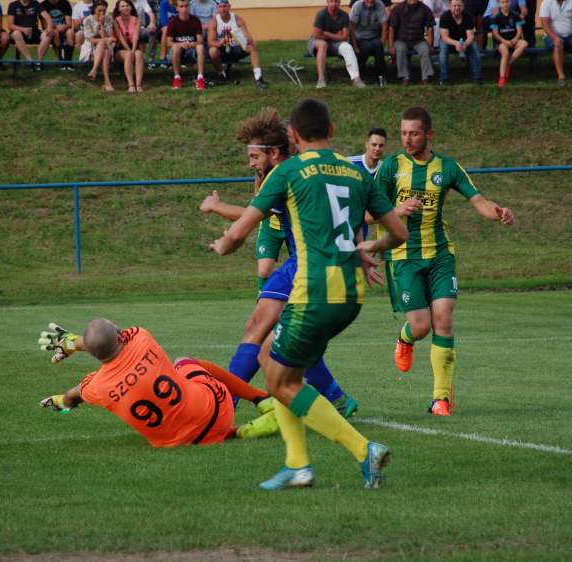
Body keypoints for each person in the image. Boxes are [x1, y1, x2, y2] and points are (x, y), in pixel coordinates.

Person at [210, 98, 409, 490]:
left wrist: (222, 246)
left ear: (293, 136)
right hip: (351, 296)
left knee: (282, 382)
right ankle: (297, 464)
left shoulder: (288, 172)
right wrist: (371, 249)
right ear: (332, 130)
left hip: (313, 290)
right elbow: (398, 233)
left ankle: (360, 449)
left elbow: (239, 231)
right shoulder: (357, 174)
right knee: (272, 359)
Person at [200, 108, 361, 420]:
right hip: (318, 265)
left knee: (259, 331)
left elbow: (247, 218)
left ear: (273, 152)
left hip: (305, 265)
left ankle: (224, 405)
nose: (250, 163)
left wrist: (221, 225)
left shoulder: (285, 174)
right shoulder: (297, 170)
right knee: (287, 337)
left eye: (254, 156)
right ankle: (337, 397)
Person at [375, 106, 514, 417]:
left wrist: (499, 212)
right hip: (405, 256)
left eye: (414, 133)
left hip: (440, 254)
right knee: (421, 326)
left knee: (444, 319)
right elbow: (368, 211)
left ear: (429, 134)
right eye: (403, 133)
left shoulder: (448, 167)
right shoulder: (392, 167)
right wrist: (396, 212)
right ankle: (405, 337)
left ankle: (441, 399)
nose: (407, 139)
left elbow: (478, 201)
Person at [38, 319, 280, 446]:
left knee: (177, 423)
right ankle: (263, 400)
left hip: (177, 443)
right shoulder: (142, 338)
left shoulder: (97, 386)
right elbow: (118, 335)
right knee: (186, 362)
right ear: (121, 334)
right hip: (217, 410)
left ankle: (235, 433)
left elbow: (74, 395)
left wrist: (61, 402)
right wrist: (74, 342)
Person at [207, 0, 267, 89]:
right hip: (223, 50)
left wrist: (243, 39)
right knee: (212, 51)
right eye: (220, 7)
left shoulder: (237, 19)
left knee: (252, 45)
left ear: (229, 7)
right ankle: (221, 75)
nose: (223, 9)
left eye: (225, 6)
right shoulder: (214, 21)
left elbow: (248, 37)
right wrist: (220, 42)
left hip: (236, 48)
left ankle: (258, 77)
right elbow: (210, 42)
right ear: (217, 8)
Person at [309, 0, 366, 88]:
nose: (334, 4)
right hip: (316, 41)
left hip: (334, 42)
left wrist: (326, 33)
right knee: (323, 45)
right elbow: (316, 35)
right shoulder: (321, 14)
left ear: (340, 3)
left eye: (336, 1)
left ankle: (356, 79)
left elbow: (345, 37)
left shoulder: (344, 15)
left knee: (347, 47)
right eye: (331, 1)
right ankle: (321, 79)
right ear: (327, 2)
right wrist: (336, 35)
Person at [388, 0, 435, 85]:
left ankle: (426, 77)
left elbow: (430, 28)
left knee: (425, 50)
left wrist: (430, 45)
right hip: (401, 39)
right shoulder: (398, 8)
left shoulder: (425, 9)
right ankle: (405, 77)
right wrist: (391, 46)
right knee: (400, 49)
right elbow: (392, 28)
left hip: (418, 39)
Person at [540, 0, 572, 85]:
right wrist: (555, 37)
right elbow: (545, 25)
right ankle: (561, 76)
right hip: (551, 35)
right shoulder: (546, 3)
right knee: (558, 44)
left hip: (570, 36)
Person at [439, 0, 482, 85]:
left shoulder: (468, 16)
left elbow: (471, 36)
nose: (457, 8)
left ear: (463, 6)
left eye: (459, 6)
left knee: (475, 49)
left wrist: (465, 44)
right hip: (449, 41)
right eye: (454, 6)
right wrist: (456, 43)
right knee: (442, 53)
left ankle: (477, 78)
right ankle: (444, 79)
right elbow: (444, 37)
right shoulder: (444, 16)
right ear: (450, 7)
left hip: (465, 41)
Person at [167, 0, 206, 90]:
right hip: (176, 53)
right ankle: (177, 78)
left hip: (191, 50)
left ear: (189, 7)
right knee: (176, 47)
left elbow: (200, 40)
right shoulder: (173, 22)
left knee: (200, 47)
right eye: (181, 6)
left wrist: (194, 44)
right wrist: (180, 44)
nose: (184, 9)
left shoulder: (195, 20)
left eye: (186, 6)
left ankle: (200, 78)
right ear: (177, 8)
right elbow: (168, 43)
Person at [350, 0, 389, 85]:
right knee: (366, 47)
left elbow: (385, 25)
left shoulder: (380, 5)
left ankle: (381, 77)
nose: (370, 1)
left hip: (374, 36)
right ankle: (360, 75)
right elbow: (352, 27)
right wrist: (355, 46)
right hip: (360, 37)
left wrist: (382, 41)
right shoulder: (357, 6)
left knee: (378, 46)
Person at [8, 0, 54, 71]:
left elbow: (48, 18)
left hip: (34, 32)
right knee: (16, 33)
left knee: (49, 34)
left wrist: (50, 27)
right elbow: (10, 25)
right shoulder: (13, 5)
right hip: (20, 33)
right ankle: (30, 62)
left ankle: (39, 62)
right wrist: (23, 29)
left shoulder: (35, 3)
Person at [489, 0, 527, 87]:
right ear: (499, 4)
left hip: (513, 40)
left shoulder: (515, 15)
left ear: (509, 3)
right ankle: (502, 78)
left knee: (524, 44)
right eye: (502, 2)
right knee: (505, 53)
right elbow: (495, 34)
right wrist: (504, 41)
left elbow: (519, 31)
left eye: (506, 2)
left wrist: (516, 38)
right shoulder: (496, 17)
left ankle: (508, 64)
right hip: (502, 42)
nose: (505, 4)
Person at [83, 0, 115, 90]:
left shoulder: (108, 19)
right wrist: (106, 39)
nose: (102, 13)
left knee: (104, 47)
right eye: (99, 11)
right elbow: (90, 39)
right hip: (90, 47)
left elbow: (107, 36)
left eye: (104, 11)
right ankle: (107, 82)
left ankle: (94, 70)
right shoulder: (88, 20)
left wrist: (102, 24)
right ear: (94, 9)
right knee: (103, 45)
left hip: (105, 47)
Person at [114, 0, 145, 91]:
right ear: (119, 9)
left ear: (131, 7)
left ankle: (138, 85)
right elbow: (120, 37)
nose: (125, 8)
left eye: (127, 5)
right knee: (129, 55)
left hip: (134, 45)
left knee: (139, 54)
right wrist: (130, 51)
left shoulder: (137, 19)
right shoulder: (116, 20)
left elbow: (136, 36)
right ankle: (131, 85)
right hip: (121, 47)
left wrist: (133, 49)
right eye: (122, 6)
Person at [40, 0, 75, 69]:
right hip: (51, 29)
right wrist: (56, 27)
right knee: (55, 32)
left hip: (64, 28)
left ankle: (69, 62)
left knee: (70, 32)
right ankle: (62, 61)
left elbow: (69, 24)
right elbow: (45, 26)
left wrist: (64, 26)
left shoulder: (65, 3)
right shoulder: (43, 4)